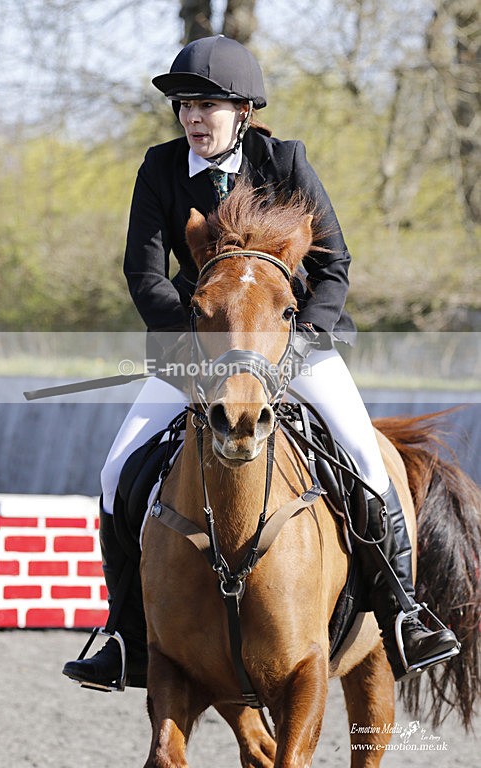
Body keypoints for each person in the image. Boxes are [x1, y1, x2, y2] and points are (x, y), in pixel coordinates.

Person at [63, 35, 459, 690]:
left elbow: (334, 266)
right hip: (199, 352)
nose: (194, 117)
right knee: (115, 472)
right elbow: (144, 274)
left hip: (293, 344)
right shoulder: (158, 169)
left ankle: (402, 613)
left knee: (362, 458)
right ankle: (126, 634)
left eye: (208, 106)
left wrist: (302, 338)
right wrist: (194, 341)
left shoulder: (284, 162)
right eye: (186, 105)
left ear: (242, 110)